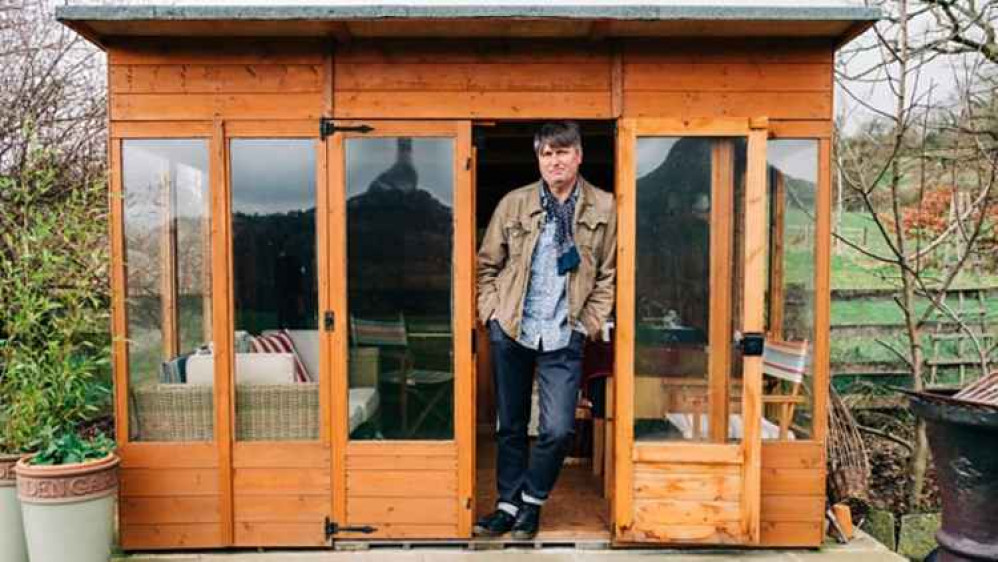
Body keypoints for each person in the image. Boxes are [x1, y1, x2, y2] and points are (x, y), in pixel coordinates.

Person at [474, 121, 617, 539]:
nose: (554, 161)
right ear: (539, 159)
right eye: (547, 154)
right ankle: (506, 507)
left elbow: (608, 276)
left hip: (563, 333)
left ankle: (531, 502)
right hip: (514, 328)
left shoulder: (605, 208)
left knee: (557, 429)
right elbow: (487, 265)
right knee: (511, 426)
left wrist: (584, 326)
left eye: (562, 152)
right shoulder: (513, 204)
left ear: (578, 156)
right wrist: (493, 315)